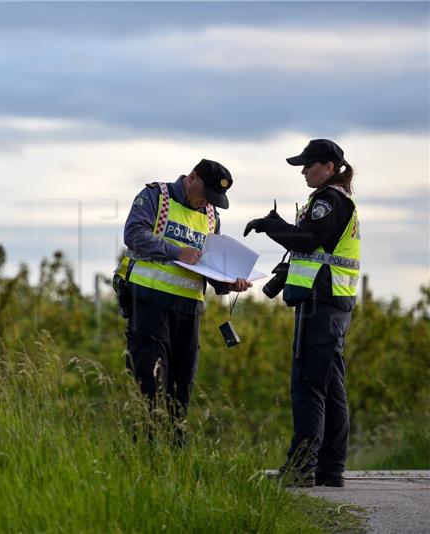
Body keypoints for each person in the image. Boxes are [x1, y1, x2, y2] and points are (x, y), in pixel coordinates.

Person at [244, 139, 359, 488]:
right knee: (330, 386)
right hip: (332, 301)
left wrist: (271, 225)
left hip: (320, 304)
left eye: (308, 165)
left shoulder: (329, 200)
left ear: (328, 166)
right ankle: (329, 468)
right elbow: (313, 249)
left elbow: (307, 239)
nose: (303, 171)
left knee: (308, 386)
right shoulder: (335, 198)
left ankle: (300, 467)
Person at [114, 159, 251, 444]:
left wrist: (230, 282)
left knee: (181, 388)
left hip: (189, 311)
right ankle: (146, 453)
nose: (207, 203)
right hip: (149, 301)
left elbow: (208, 265)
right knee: (150, 383)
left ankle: (176, 458)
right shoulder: (156, 196)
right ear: (192, 177)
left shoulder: (212, 215)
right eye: (207, 194)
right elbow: (133, 235)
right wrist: (176, 251)